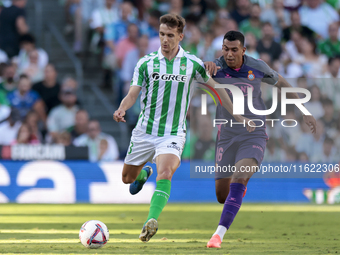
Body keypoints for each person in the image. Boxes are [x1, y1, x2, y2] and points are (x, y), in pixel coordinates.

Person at [113, 14, 254, 243]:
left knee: (166, 172)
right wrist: (121, 109)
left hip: (173, 133)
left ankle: (151, 220)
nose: (165, 40)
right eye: (161, 34)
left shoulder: (192, 64)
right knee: (127, 179)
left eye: (170, 35)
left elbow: (218, 90)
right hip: (144, 132)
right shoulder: (146, 63)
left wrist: (238, 116)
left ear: (181, 36)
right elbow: (132, 94)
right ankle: (142, 174)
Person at [203, 31, 317, 248]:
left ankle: (217, 235)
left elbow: (281, 83)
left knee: (239, 177)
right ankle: (240, 189)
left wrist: (303, 110)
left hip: (253, 132)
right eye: (225, 49)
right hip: (226, 134)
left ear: (243, 50)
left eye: (234, 50)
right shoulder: (214, 67)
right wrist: (204, 66)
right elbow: (193, 73)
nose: (229, 54)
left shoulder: (258, 66)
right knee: (221, 195)